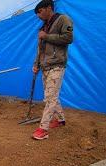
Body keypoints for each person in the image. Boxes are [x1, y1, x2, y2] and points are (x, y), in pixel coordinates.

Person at [32, 0, 73, 140]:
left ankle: (43, 129)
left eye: (40, 11)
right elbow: (40, 49)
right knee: (51, 95)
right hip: (45, 66)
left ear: (49, 8)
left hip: (57, 65)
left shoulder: (63, 19)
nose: (38, 15)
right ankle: (61, 120)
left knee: (50, 97)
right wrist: (36, 64)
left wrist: (47, 36)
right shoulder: (43, 27)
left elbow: (68, 38)